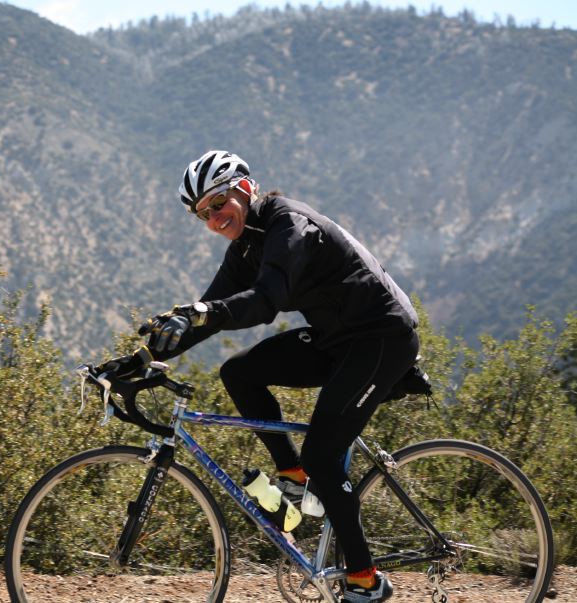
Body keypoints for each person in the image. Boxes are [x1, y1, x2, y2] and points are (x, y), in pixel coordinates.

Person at [107, 150, 419, 603]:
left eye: (219, 204)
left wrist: (205, 312)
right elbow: (209, 314)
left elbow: (266, 300)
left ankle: (365, 582)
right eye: (203, 214)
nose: (213, 219)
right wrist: (137, 359)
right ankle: (294, 475)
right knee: (239, 372)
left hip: (382, 337)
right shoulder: (245, 245)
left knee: (324, 454)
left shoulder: (288, 226)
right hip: (338, 338)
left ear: (246, 189)